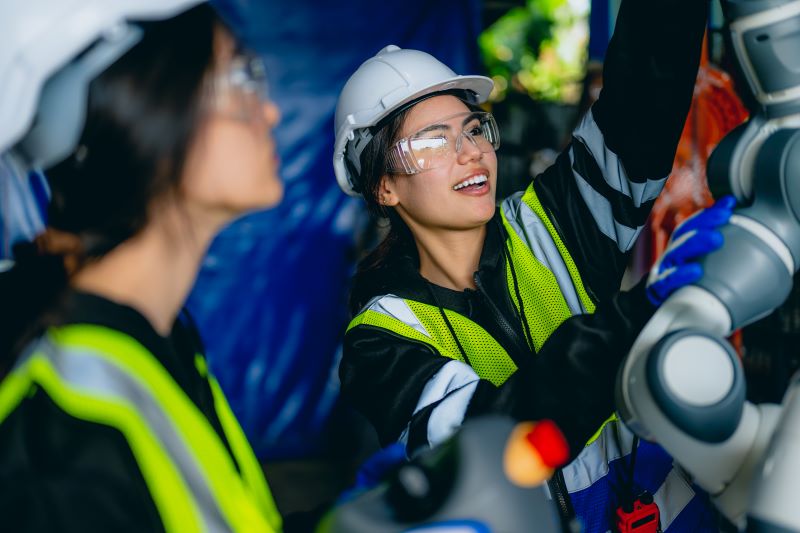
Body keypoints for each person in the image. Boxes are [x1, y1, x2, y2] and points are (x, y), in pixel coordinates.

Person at [332, 0, 725, 531]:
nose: (470, 151)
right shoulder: (379, 342)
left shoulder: (555, 222)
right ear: (383, 185)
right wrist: (636, 317)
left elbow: (642, 99)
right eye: (432, 141)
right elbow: (490, 439)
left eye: (473, 128)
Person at [0, 1, 283, 530]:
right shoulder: (61, 454)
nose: (269, 111)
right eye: (238, 76)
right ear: (141, 108)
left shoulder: (159, 336)